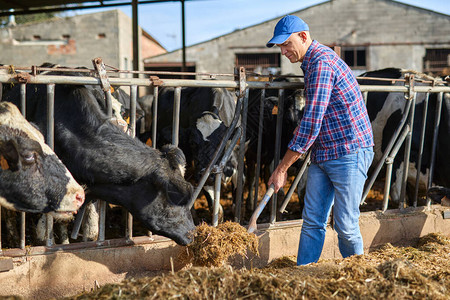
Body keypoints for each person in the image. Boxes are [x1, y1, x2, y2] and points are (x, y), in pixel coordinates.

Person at [266, 15, 374, 265]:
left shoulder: (322, 62)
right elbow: (318, 113)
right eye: (280, 47)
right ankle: (305, 274)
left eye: (286, 44)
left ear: (303, 37)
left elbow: (314, 119)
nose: (283, 52)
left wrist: (282, 168)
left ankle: (357, 278)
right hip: (324, 152)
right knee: (313, 220)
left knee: (346, 224)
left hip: (349, 150)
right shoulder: (312, 62)